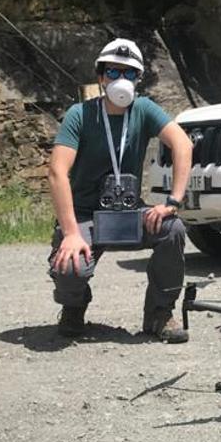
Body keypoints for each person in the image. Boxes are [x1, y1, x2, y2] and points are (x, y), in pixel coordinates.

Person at [46, 38, 194, 343]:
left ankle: (160, 314)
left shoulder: (144, 110)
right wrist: (71, 232)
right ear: (101, 78)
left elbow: (182, 144)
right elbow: (57, 171)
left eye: (129, 74)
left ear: (138, 80)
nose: (120, 81)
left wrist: (172, 201)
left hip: (128, 212)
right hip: (86, 216)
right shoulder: (80, 115)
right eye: (113, 73)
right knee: (69, 264)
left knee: (173, 229)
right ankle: (73, 307)